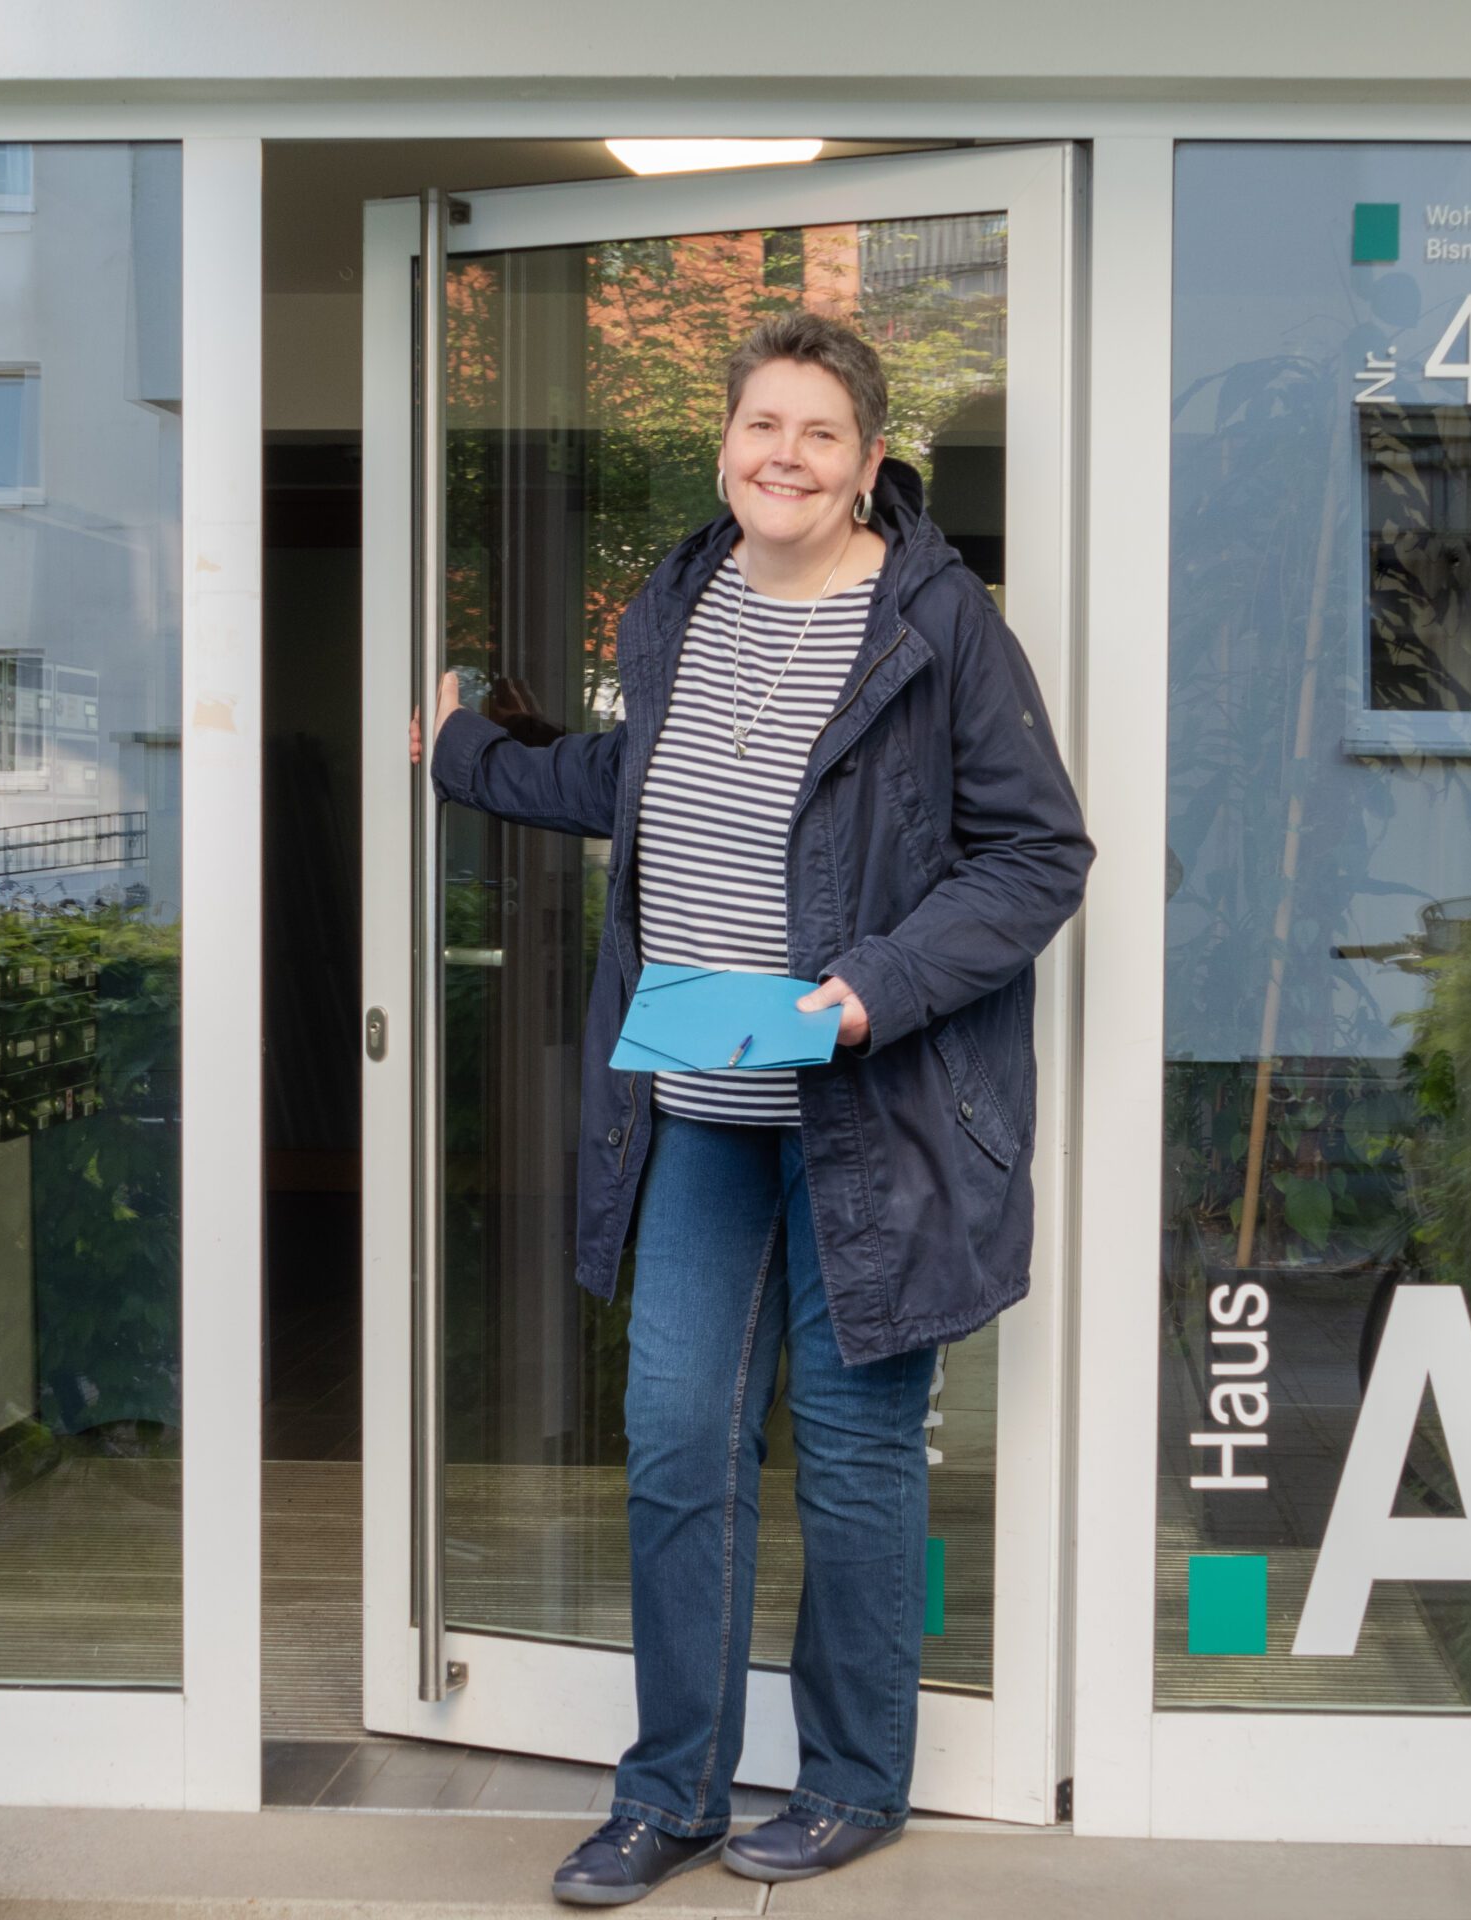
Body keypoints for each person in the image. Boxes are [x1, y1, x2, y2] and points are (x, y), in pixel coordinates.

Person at [409, 310, 1092, 1904]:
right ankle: (673, 1795)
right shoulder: (683, 596)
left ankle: (855, 1784)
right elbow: (628, 780)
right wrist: (462, 755)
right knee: (674, 1445)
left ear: (867, 470)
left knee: (855, 1459)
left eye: (820, 434)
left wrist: (872, 985)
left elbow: (1037, 854)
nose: (783, 454)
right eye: (761, 426)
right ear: (729, 444)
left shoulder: (939, 627)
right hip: (699, 1101)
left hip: (878, 1112)